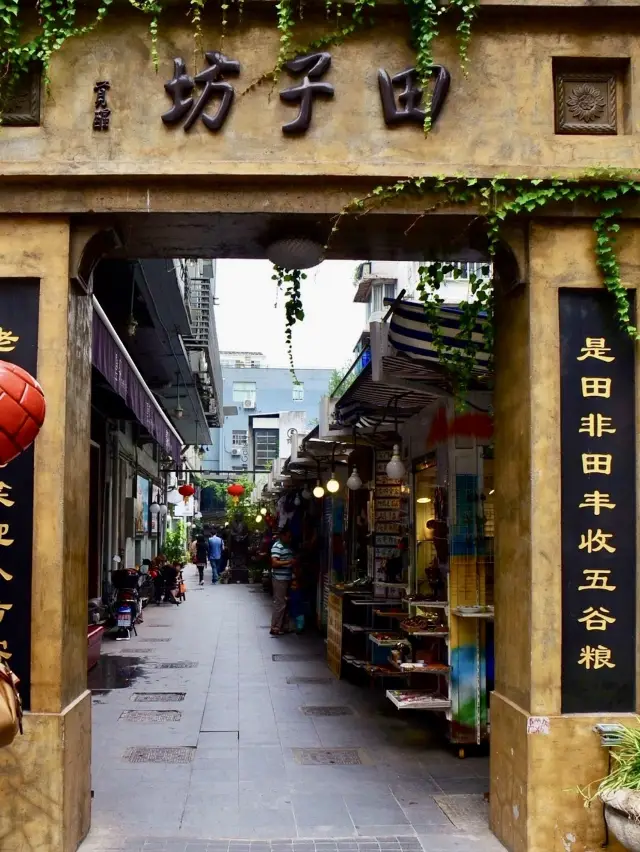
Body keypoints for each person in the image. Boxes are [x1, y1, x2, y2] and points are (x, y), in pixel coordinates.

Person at [270, 525, 296, 636]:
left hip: (286, 578)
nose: (290, 538)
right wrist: (289, 562)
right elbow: (274, 563)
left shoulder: (288, 546)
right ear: (282, 535)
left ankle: (282, 626)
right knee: (280, 603)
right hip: (279, 578)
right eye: (288, 536)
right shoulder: (277, 546)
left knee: (285, 602)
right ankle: (275, 627)